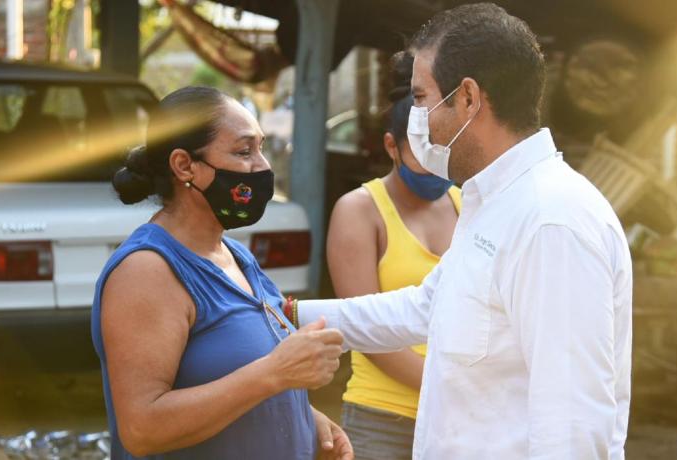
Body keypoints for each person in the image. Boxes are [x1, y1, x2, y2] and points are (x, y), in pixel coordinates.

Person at [297, 4, 633, 459]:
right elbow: (425, 306)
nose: (417, 117)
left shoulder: (551, 220)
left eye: (420, 98)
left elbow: (572, 424)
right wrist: (285, 316)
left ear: (469, 98)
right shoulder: (492, 202)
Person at [91, 86, 353, 460]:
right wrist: (274, 373)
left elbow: (238, 378)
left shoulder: (236, 256)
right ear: (184, 166)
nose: (262, 166)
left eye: (261, 148)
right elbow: (141, 427)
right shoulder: (148, 271)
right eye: (244, 151)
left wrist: (308, 420)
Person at [326, 51, 460, 459]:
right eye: (422, 152)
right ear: (391, 146)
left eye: (444, 150)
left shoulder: (465, 204)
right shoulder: (359, 210)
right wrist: (455, 385)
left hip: (456, 420)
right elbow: (366, 329)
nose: (435, 166)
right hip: (382, 419)